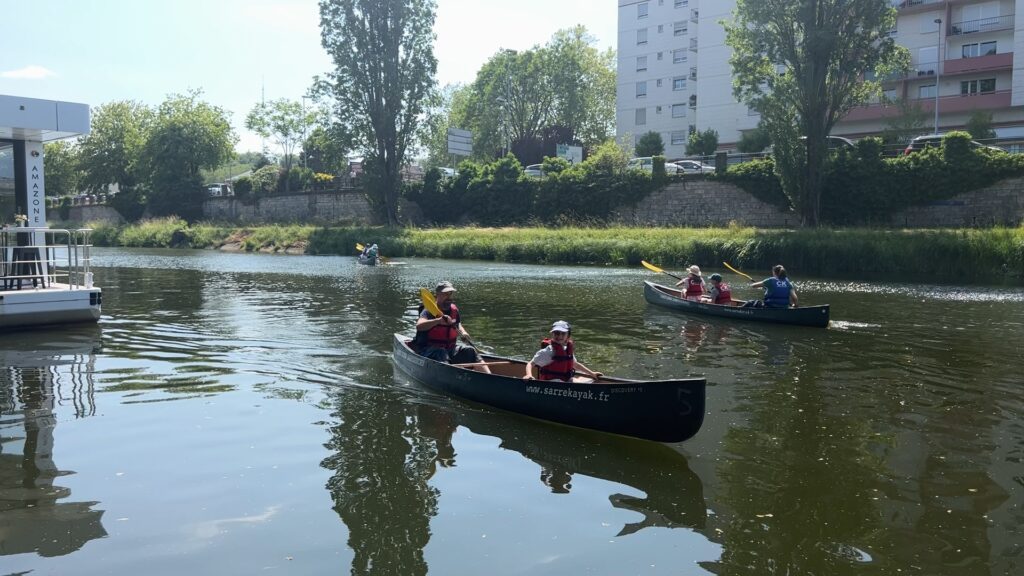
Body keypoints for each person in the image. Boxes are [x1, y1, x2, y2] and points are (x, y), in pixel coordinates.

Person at [414, 281, 490, 373]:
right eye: (445, 294)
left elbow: (458, 324)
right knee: (441, 352)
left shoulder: (454, 310)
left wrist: (463, 333)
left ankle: (489, 377)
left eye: (450, 294)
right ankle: (451, 375)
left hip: (449, 349)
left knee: (470, 350)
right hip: (428, 350)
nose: (449, 297)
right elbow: (419, 326)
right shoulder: (428, 311)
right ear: (438, 295)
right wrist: (437, 320)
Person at [524, 321, 603, 383]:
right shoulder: (547, 352)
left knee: (582, 380)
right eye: (557, 333)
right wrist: (529, 375)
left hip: (565, 381)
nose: (560, 336)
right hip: (550, 383)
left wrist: (592, 373)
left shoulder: (566, 349)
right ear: (552, 334)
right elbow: (531, 364)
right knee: (562, 382)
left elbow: (575, 364)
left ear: (568, 336)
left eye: (563, 333)